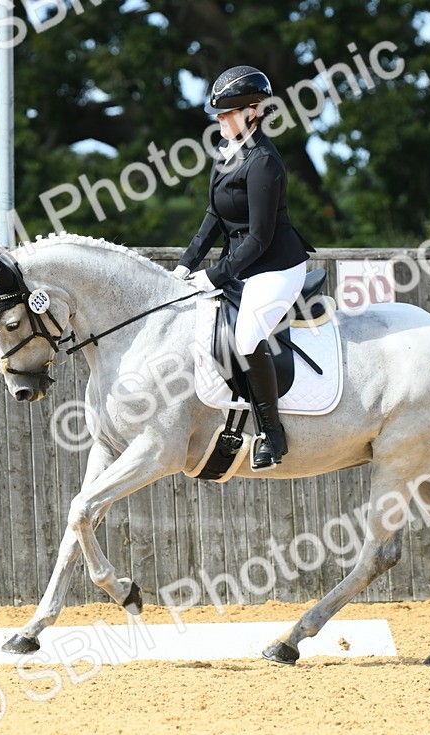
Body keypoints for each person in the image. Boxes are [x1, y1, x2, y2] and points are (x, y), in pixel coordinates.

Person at [173, 65, 315, 470]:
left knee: (247, 337)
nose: (220, 121)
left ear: (254, 111)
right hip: (241, 265)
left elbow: (259, 238)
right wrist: (186, 266)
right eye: (218, 114)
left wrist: (214, 275)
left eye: (228, 113)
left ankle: (272, 434)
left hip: (275, 268)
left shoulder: (264, 163)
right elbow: (213, 217)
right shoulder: (225, 154)